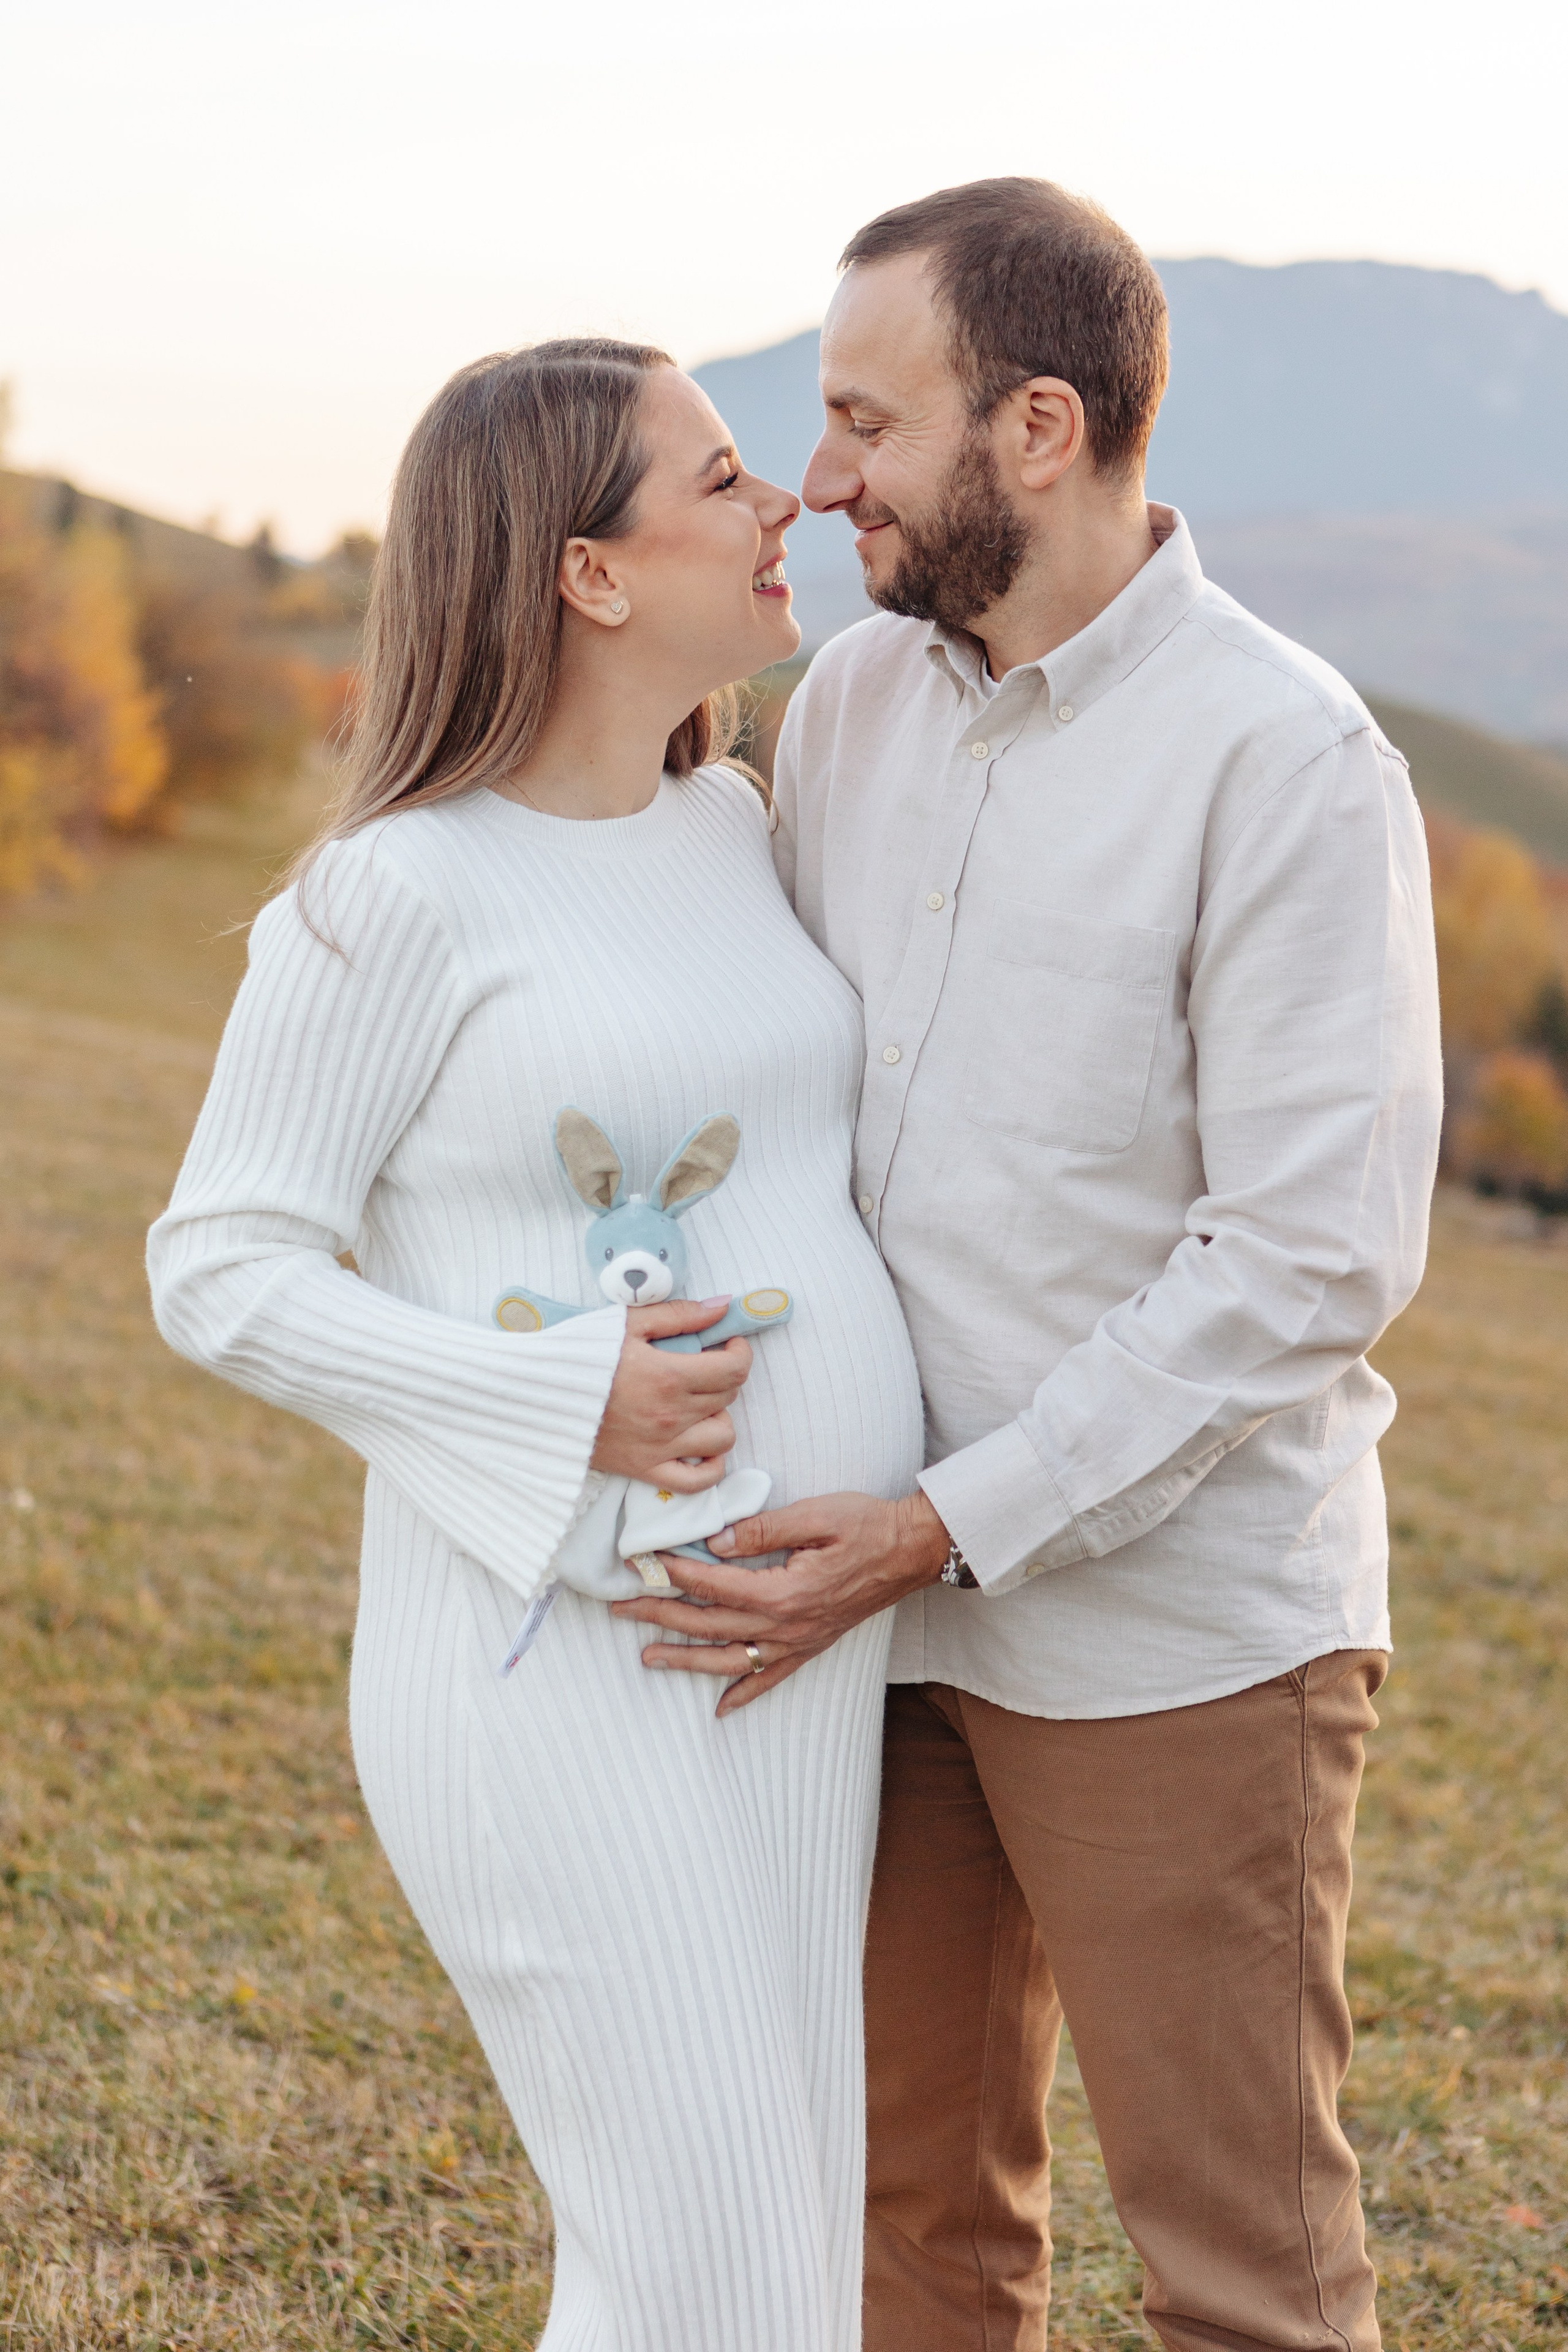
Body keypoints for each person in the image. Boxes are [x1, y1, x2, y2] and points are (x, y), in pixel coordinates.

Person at [615, 182, 1445, 2351]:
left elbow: (1301, 1261)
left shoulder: (1288, 765)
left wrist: (938, 1528)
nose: (822, 477)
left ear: (1041, 429)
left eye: (869, 422)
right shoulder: (856, 711)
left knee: (1243, 2272)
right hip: (871, 1637)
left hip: (1178, 1641)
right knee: (909, 2230)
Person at [146, 338, 924, 2352]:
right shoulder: (390, 897)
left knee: (772, 2253)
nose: (790, 509)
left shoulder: (733, 831)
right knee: (708, 2269)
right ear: (587, 573)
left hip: (777, 1664)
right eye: (727, 477)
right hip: (549, 1673)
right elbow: (218, 1267)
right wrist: (560, 1396)